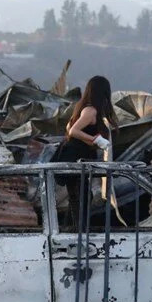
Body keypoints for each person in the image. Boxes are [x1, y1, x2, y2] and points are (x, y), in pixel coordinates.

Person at [57, 75, 117, 228]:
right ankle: (78, 233)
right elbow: (73, 131)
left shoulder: (84, 108)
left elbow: (70, 129)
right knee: (80, 198)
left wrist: (91, 140)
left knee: (77, 197)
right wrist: (95, 140)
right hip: (75, 158)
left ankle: (70, 230)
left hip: (76, 157)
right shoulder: (90, 110)